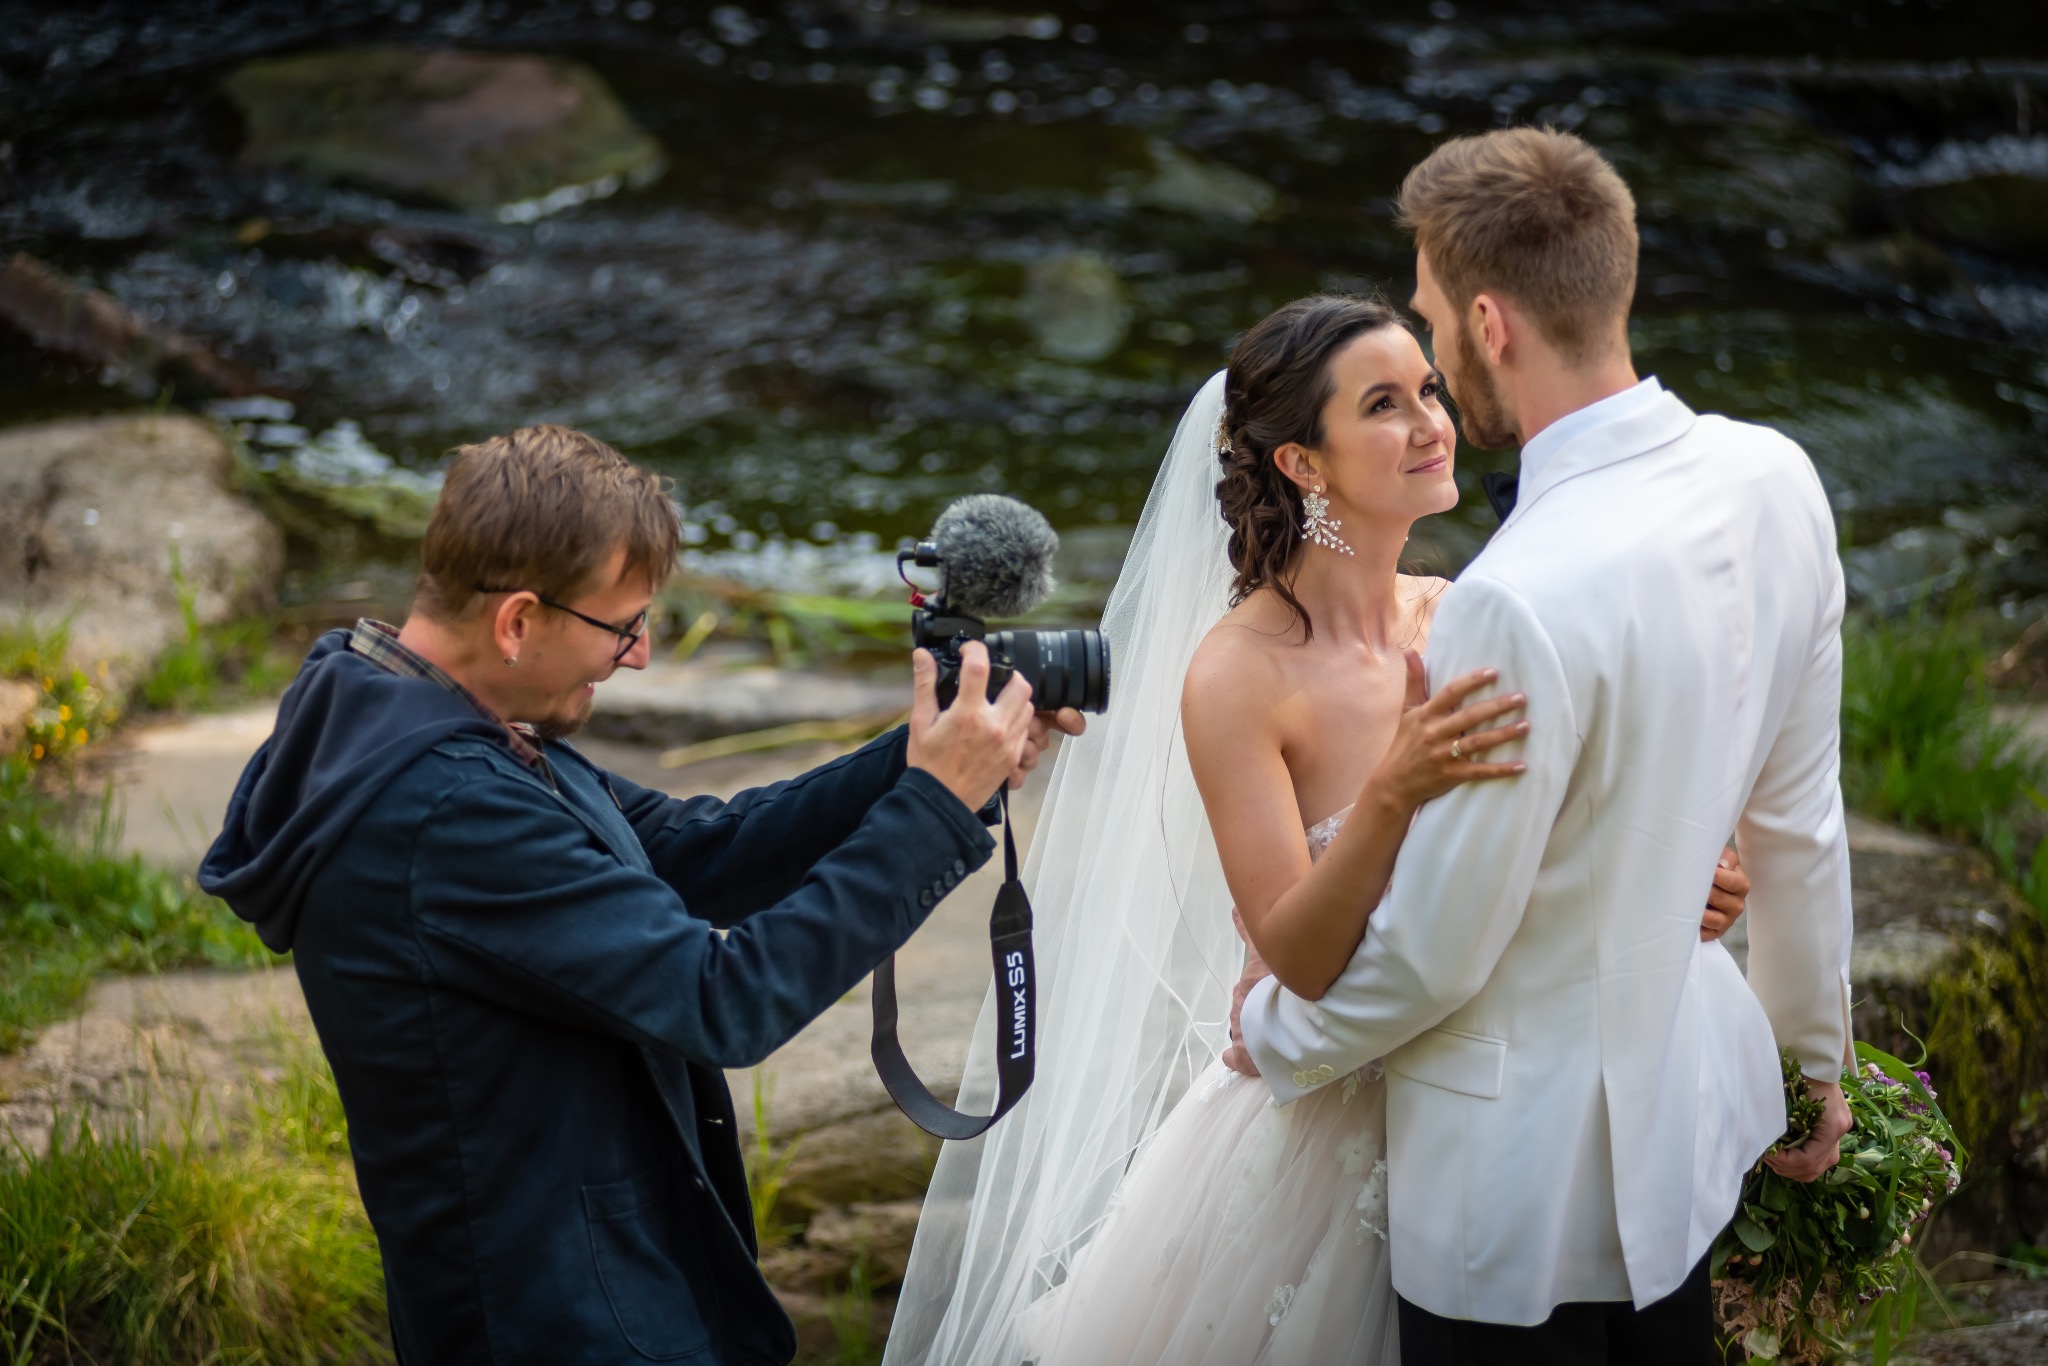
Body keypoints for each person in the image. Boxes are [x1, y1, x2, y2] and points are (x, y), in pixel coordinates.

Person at [886, 295, 1760, 1362]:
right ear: (1302, 463)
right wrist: (1391, 791)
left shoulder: (1470, 610)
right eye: (1384, 406)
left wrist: (1681, 881)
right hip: (1332, 1130)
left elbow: (1565, 833)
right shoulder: (1238, 675)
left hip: (1518, 1103)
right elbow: (1294, 951)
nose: (1433, 423)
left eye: (1429, 391)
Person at [199, 424, 1078, 1365]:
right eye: (622, 626)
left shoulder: (420, 718)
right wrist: (934, 809)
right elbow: (723, 999)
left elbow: (690, 851)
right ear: (517, 621)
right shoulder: (441, 808)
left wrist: (923, 758)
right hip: (565, 1322)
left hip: (598, 1285)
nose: (643, 654)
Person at [1237, 129, 1853, 1364]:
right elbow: (1799, 820)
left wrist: (1267, 1040)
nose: (1428, 358)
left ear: (1487, 321)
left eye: (1426, 318)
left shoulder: (1510, 596)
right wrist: (1807, 1059)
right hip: (1685, 1144)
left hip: (1506, 1208)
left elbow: (1434, 954)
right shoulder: (1772, 477)